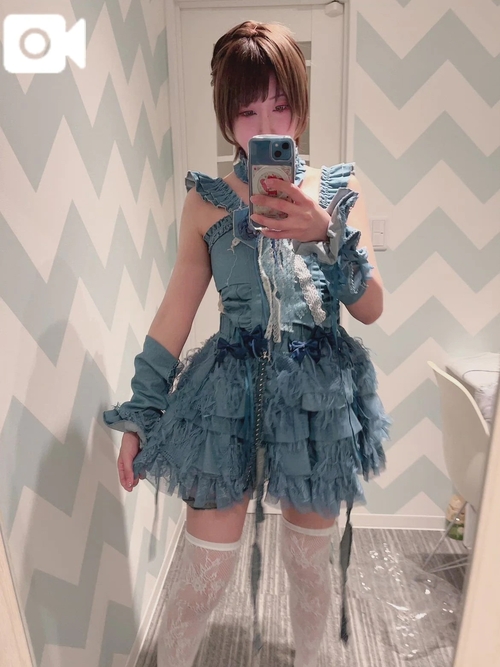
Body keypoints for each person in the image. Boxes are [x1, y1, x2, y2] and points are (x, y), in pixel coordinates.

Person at [103, 19, 390, 667]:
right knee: (202, 577)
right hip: (224, 397)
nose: (266, 124)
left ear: (301, 108)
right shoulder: (206, 203)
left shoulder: (339, 193)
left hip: (317, 400)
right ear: (226, 117)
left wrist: (324, 233)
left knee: (309, 570)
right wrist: (143, 411)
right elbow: (176, 310)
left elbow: (370, 307)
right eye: (247, 110)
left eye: (280, 106)